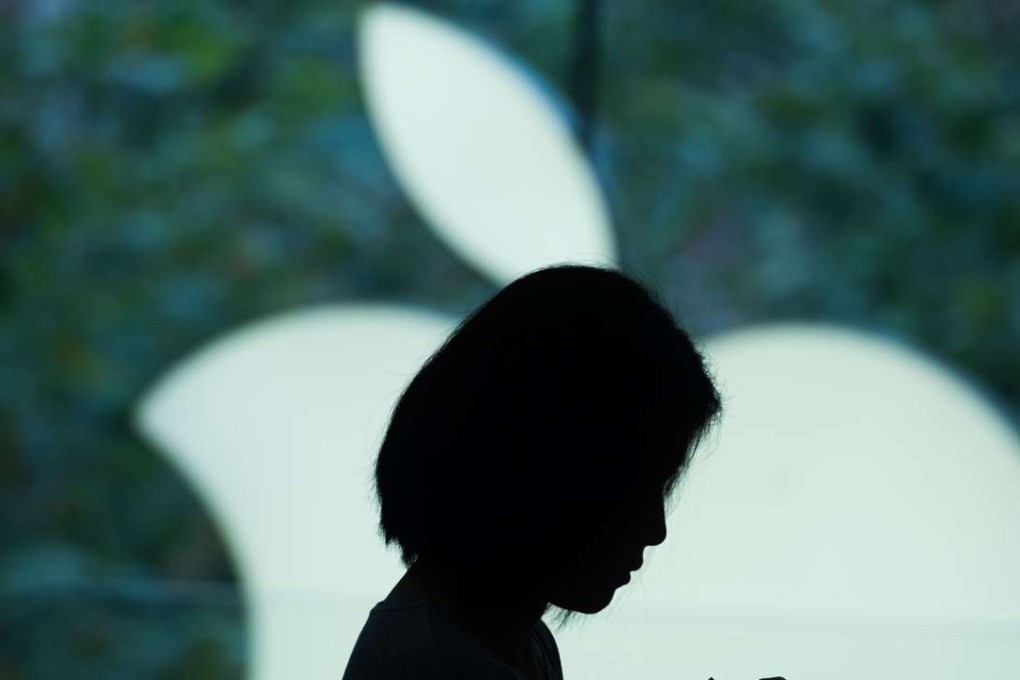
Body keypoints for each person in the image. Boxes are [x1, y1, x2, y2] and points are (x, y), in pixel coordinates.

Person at [342, 264, 723, 679]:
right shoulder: (442, 663)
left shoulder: (508, 639)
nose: (655, 530)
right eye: (636, 490)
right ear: (547, 472)